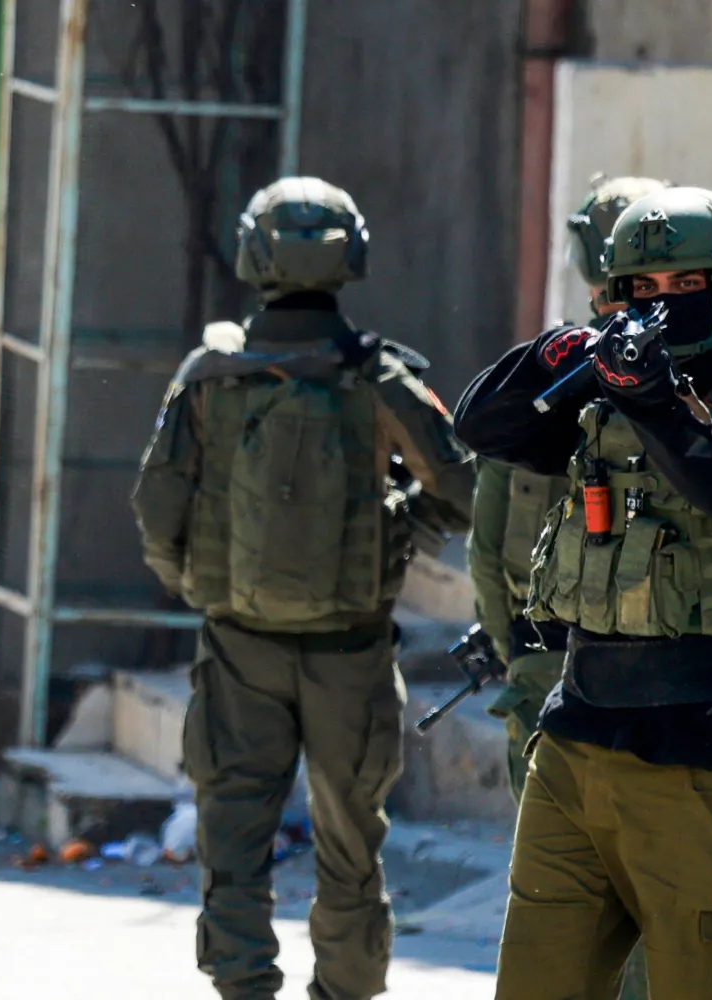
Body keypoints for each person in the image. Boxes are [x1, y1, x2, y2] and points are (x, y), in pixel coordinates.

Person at [453, 187, 712, 999]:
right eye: (641, 290)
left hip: (706, 758)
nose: (661, 305)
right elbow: (481, 423)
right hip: (578, 742)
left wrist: (654, 395)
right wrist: (565, 354)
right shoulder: (606, 390)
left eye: (684, 286)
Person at [132, 177, 475, 1000]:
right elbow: (462, 495)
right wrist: (400, 523)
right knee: (352, 848)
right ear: (351, 256)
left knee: (233, 842)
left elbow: (156, 508)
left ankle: (245, 988)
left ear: (255, 255)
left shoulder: (209, 373)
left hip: (238, 644)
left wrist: (203, 587)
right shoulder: (381, 375)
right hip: (351, 651)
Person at [472, 175, 669, 802]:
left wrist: (513, 653)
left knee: (552, 873)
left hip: (543, 654)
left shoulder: (545, 371)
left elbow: (486, 545)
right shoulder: (695, 367)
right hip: (666, 659)